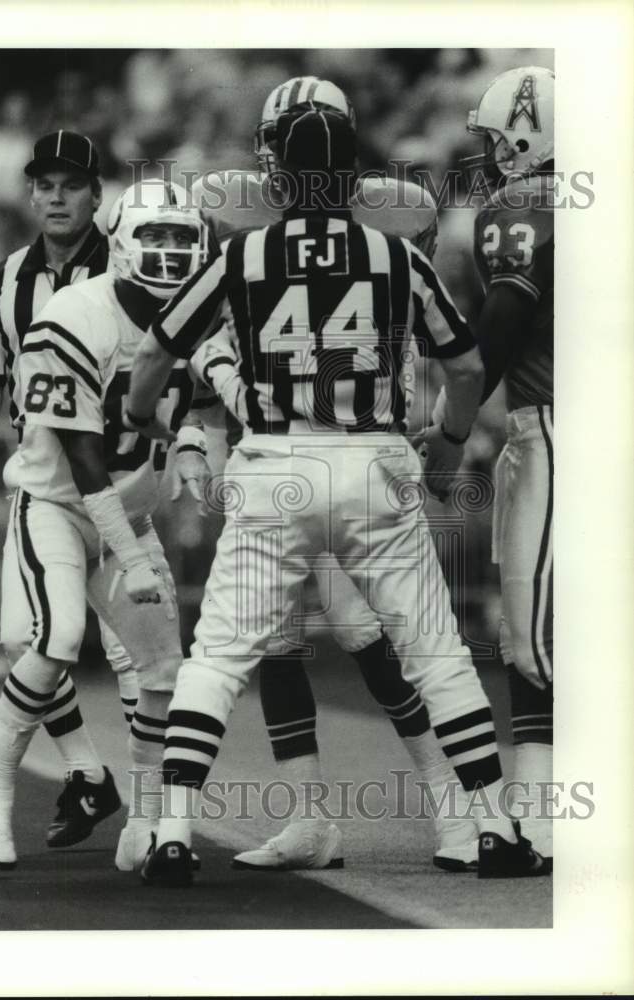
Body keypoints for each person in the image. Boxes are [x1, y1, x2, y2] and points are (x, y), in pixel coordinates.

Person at [125, 102, 549, 887]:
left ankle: (173, 830)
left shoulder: (244, 253)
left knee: (217, 655)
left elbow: (158, 349)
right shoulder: (394, 257)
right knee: (436, 653)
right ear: (354, 177)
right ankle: (491, 824)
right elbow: (460, 367)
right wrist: (450, 441)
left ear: (278, 174)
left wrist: (137, 408)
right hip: (371, 464)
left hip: (274, 466)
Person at [188, 78, 476, 872]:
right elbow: (220, 343)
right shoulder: (277, 228)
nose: (265, 154)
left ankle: (455, 813)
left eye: (278, 139)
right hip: (283, 453)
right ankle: (311, 819)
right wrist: (197, 420)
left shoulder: (374, 219)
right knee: (278, 643)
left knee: (370, 638)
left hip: (344, 447)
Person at [0, 177, 212, 871]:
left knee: (163, 671)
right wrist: (131, 559)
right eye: (153, 237)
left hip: (128, 515)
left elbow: (198, 396)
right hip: (59, 508)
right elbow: (82, 456)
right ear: (123, 244)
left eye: (180, 238)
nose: (167, 252)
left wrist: (190, 439)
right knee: (55, 637)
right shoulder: (74, 315)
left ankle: (147, 823)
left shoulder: (196, 314)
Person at [0, 130, 145, 856]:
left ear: (98, 193)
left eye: (71, 183)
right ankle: (87, 775)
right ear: (30, 192)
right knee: (26, 641)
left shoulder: (133, 265)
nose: (56, 195)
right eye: (45, 183)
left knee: (138, 664)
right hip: (48, 484)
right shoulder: (4, 280)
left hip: (126, 487)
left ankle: (148, 816)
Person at [456, 66, 555, 862]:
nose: (491, 155)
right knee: (529, 632)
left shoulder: (523, 204)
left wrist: (451, 422)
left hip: (557, 431)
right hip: (549, 429)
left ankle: (543, 815)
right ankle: (532, 808)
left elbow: (501, 319)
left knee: (539, 636)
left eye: (495, 139)